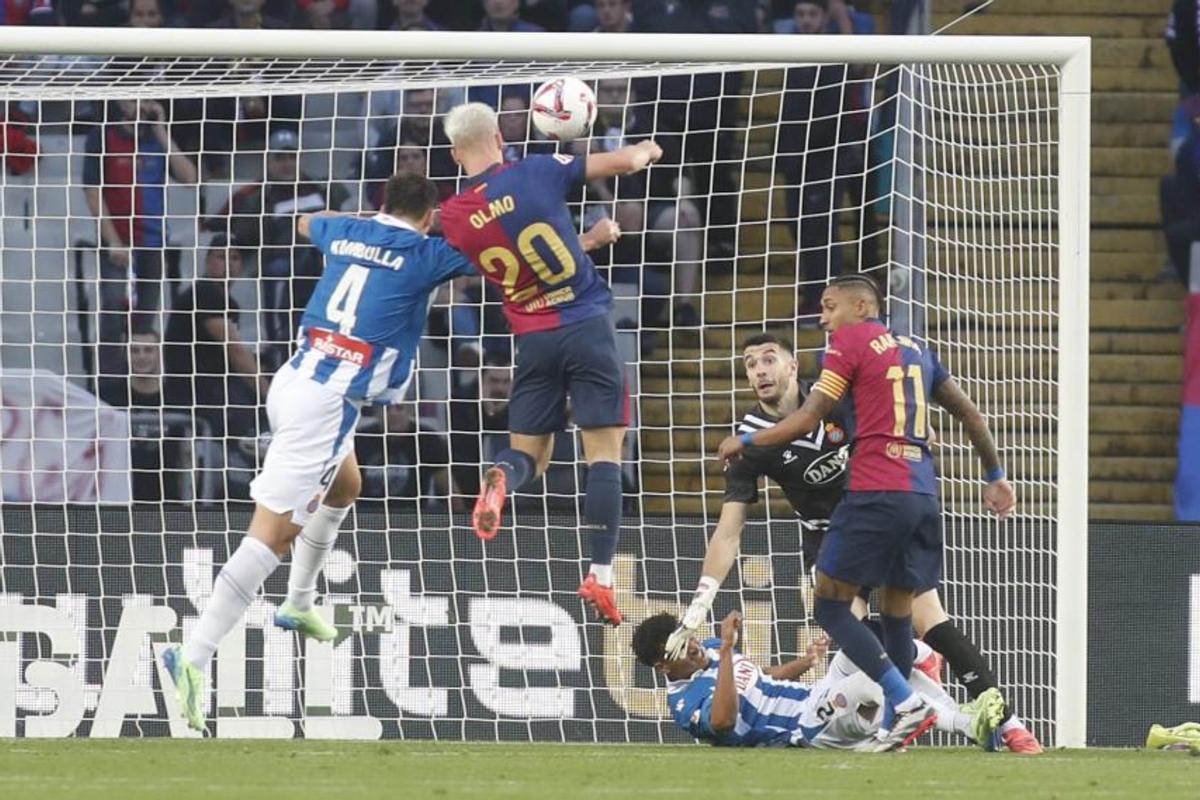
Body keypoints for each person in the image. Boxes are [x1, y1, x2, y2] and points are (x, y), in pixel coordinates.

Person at [162, 173, 478, 732]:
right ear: (428, 217)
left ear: (382, 204)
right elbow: (495, 256)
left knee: (345, 484)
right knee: (272, 535)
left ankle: (300, 602)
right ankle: (192, 657)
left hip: (295, 376)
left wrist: (338, 225)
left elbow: (305, 222)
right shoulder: (428, 253)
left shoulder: (343, 228)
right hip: (327, 402)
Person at [670, 332, 1044, 753]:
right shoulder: (749, 441)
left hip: (880, 519)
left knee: (933, 622)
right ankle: (922, 694)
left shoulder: (841, 399)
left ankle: (1009, 722)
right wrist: (703, 597)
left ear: (793, 367)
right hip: (828, 538)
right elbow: (728, 531)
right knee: (857, 635)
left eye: (769, 359)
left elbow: (911, 423)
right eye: (751, 363)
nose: (759, 369)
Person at [439, 101, 660, 625]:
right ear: (498, 134)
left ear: (454, 153)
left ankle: (501, 478)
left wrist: (587, 242)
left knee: (529, 459)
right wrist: (649, 148)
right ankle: (601, 575)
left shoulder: (453, 217)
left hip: (532, 340)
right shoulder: (537, 170)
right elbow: (624, 163)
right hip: (586, 326)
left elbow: (521, 256)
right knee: (604, 454)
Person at [634, 609, 1006, 750]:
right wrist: (728, 652)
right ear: (663, 666)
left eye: (689, 637)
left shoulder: (714, 648)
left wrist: (806, 661)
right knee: (871, 682)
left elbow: (762, 677)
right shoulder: (683, 704)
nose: (695, 647)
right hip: (807, 728)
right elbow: (723, 721)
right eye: (681, 649)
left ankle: (925, 662)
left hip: (816, 694)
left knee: (861, 649)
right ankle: (964, 722)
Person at [82, 98, 197, 379]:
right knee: (110, 309)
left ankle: (141, 385)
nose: (147, 106)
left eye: (150, 100)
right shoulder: (103, 136)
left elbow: (191, 177)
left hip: (153, 242)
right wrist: (111, 241)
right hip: (117, 241)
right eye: (140, 99)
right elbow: (92, 191)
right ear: (123, 102)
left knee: (145, 320)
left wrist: (162, 132)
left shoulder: (157, 139)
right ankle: (108, 382)